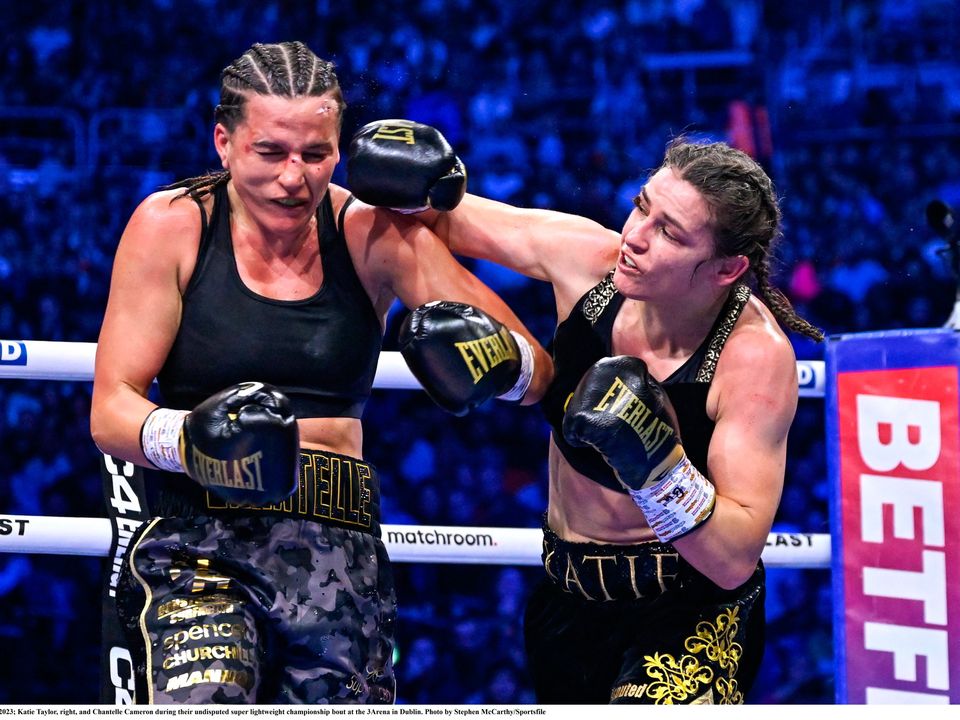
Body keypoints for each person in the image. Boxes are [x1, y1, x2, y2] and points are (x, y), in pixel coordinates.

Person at [89, 42, 552, 705]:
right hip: (201, 540)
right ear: (224, 142)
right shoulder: (172, 227)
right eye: (270, 153)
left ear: (342, 150)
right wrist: (192, 438)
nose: (293, 177)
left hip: (338, 544)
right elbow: (111, 409)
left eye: (314, 154)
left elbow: (533, 370)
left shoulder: (371, 233)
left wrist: (493, 357)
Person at [349, 126, 824, 704]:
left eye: (668, 233)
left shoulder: (753, 359)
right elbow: (442, 216)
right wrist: (416, 182)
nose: (635, 237)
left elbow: (732, 559)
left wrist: (657, 467)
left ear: (726, 270)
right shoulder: (588, 260)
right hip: (564, 596)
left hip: (687, 609)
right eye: (641, 208)